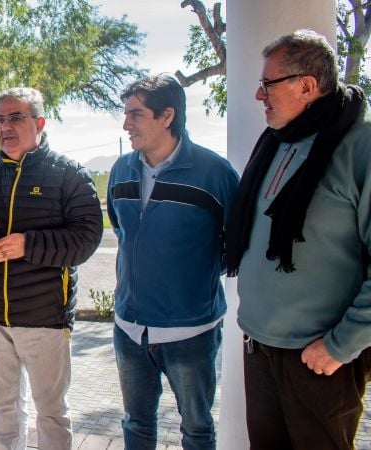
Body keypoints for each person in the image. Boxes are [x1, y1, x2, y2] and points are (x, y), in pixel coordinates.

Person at [225, 29, 371, 449]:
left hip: (320, 359)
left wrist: (340, 346)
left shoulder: (359, 147)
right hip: (260, 348)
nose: (259, 95)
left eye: (267, 84)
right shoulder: (277, 142)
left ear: (306, 86)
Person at [0, 87, 103, 450]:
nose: (6, 126)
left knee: (51, 413)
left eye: (16, 117)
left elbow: (87, 237)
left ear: (40, 123)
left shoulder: (68, 174)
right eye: (0, 119)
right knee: (4, 409)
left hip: (44, 318)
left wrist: (27, 245)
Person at [106, 75, 239, 450]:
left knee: (197, 430)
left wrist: (191, 281)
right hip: (129, 329)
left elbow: (235, 243)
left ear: (167, 116)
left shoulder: (215, 173)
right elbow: (122, 231)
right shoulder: (121, 171)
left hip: (190, 332)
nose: (126, 124)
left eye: (135, 114)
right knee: (136, 424)